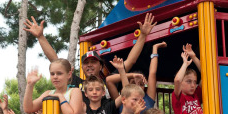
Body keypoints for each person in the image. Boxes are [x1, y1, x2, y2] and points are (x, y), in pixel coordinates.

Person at [23, 13, 157, 97]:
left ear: (101, 65)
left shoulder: (109, 80)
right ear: (82, 67)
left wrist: (143, 35)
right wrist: (40, 37)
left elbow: (130, 61)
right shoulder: (76, 82)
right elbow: (55, 60)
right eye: (86, 63)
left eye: (93, 62)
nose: (89, 65)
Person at [106, 41, 167, 114]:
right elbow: (109, 80)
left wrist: (155, 48)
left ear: (144, 88)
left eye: (141, 84)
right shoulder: (123, 98)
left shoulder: (148, 98)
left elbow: (152, 73)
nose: (137, 86)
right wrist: (132, 75)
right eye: (133, 83)